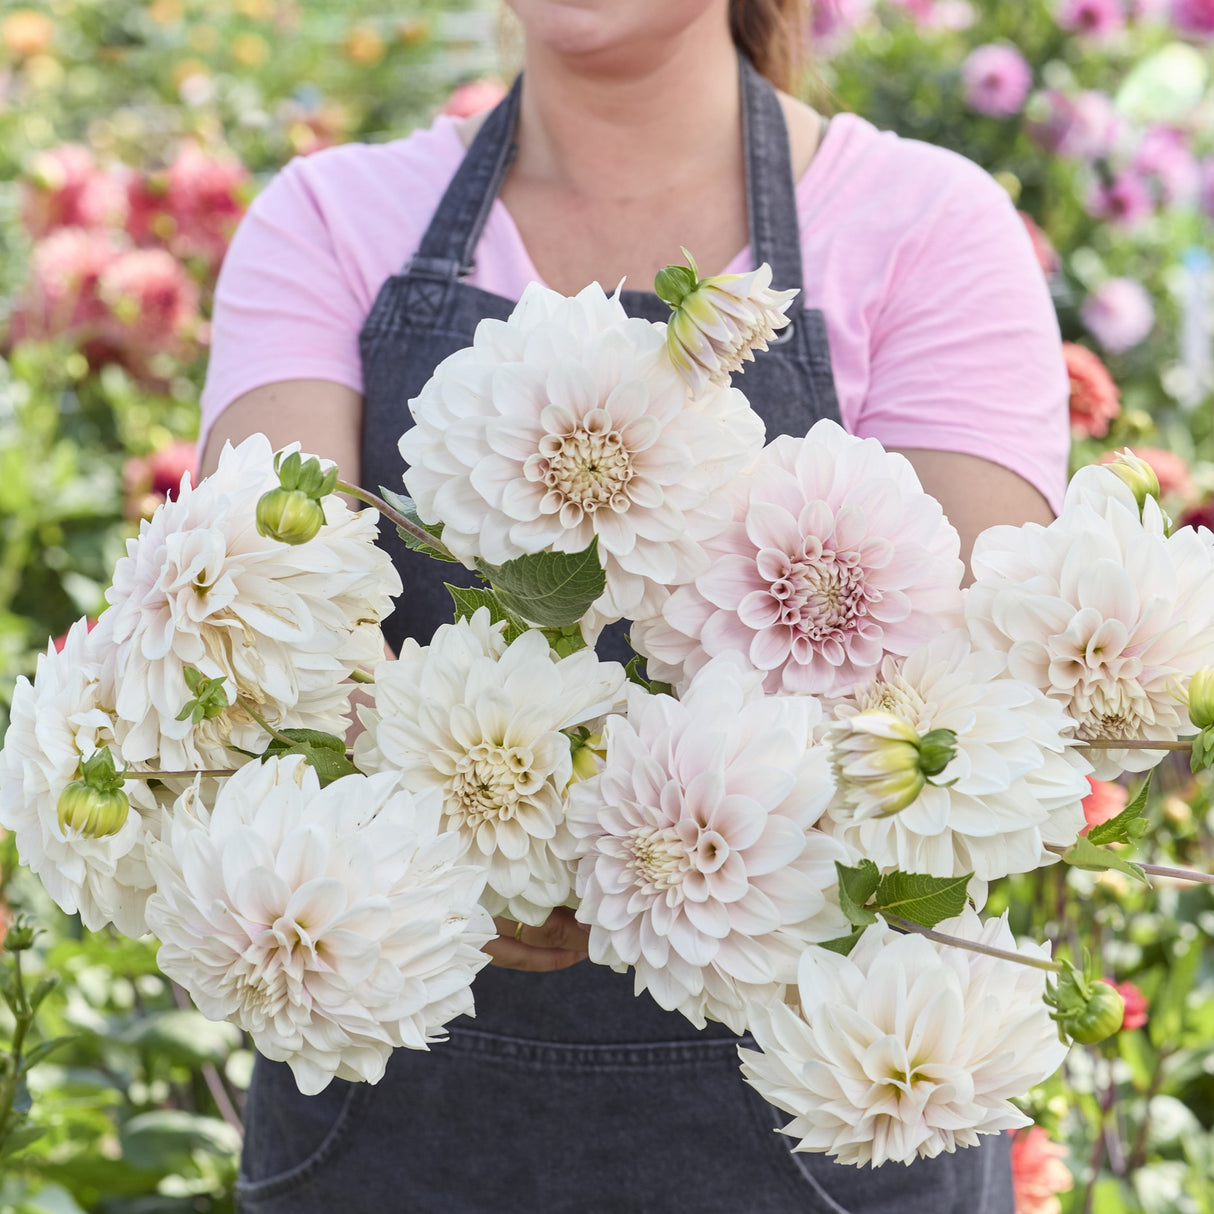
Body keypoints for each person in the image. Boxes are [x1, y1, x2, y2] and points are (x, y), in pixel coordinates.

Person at [199, 2, 1068, 1210]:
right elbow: (260, 619)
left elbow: (960, 710)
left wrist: (641, 845)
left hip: (826, 1128)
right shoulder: (331, 219)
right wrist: (467, 829)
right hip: (394, 1127)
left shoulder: (925, 225)